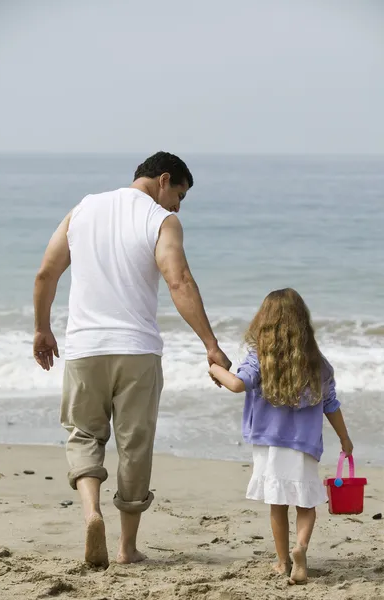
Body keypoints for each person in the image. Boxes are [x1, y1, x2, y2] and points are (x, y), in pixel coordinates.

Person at [33, 151, 231, 567]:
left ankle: (91, 514)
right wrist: (210, 343)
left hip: (85, 347)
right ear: (163, 179)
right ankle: (126, 548)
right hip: (137, 350)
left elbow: (46, 274)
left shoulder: (83, 209)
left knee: (84, 436)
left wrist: (42, 328)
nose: (178, 205)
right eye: (179, 193)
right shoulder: (160, 220)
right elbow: (179, 281)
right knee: (133, 448)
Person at [209, 288, 353, 585]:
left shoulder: (260, 358)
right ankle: (300, 549)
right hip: (304, 446)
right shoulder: (318, 364)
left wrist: (214, 368)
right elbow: (331, 405)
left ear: (263, 322)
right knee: (306, 504)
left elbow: (237, 385)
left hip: (270, 444)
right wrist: (344, 439)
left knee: (278, 505)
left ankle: (282, 561)